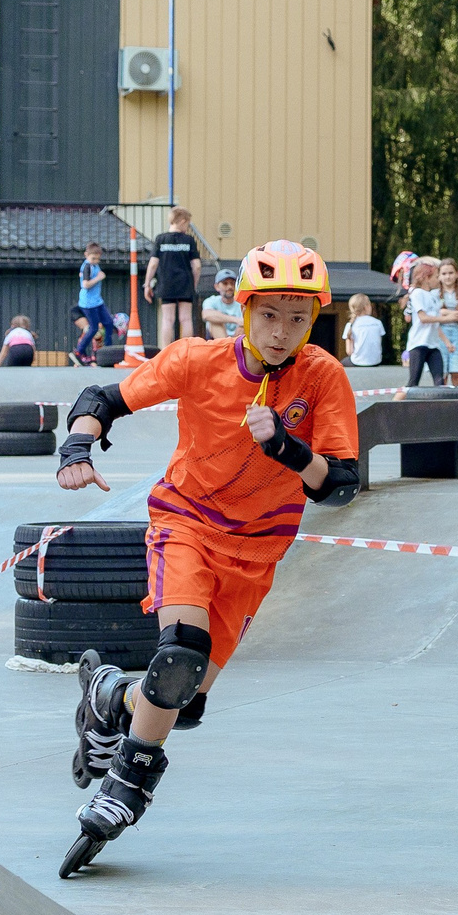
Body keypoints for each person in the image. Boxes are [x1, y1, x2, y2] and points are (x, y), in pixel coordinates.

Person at [52, 240, 360, 870]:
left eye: (298, 319)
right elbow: (100, 399)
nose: (282, 333)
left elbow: (342, 486)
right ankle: (125, 788)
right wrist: (77, 452)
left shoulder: (322, 377)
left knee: (182, 699)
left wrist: (288, 450)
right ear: (243, 310)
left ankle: (108, 698)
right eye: (269, 315)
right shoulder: (197, 360)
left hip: (258, 552)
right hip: (186, 522)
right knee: (178, 657)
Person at [145, 207, 205, 347]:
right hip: (185, 283)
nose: (187, 228)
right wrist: (193, 284)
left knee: (167, 319)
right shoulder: (189, 240)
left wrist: (147, 283)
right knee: (185, 318)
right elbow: (196, 266)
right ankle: (186, 350)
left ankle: (165, 351)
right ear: (183, 221)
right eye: (188, 224)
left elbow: (153, 264)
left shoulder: (161, 239)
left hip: (166, 283)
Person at [402, 257, 447, 387]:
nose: (439, 279)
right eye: (436, 276)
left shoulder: (434, 296)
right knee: (413, 381)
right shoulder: (417, 294)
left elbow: (436, 321)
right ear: (426, 277)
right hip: (418, 344)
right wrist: (446, 318)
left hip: (433, 345)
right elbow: (424, 318)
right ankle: (395, 404)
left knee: (440, 381)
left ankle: (441, 407)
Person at [72, 242, 118, 364]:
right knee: (93, 328)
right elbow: (85, 284)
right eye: (93, 258)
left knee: (108, 323)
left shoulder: (94, 265)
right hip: (88, 303)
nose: (95, 261)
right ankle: (79, 351)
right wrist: (99, 278)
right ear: (86, 255)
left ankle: (107, 350)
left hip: (97, 301)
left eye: (98, 259)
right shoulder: (87, 266)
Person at [432, 259, 458, 386]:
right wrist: (456, 313)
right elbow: (433, 317)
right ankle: (442, 405)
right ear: (439, 276)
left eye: (450, 273)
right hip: (440, 337)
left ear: (457, 274)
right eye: (444, 274)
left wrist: (444, 312)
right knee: (441, 375)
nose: (448, 276)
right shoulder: (433, 294)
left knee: (457, 373)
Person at [342, 293, 385, 366]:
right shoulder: (378, 323)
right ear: (366, 307)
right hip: (376, 361)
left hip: (357, 362)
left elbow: (349, 351)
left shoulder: (350, 325)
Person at [201, 269, 243, 339]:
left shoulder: (242, 302)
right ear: (217, 287)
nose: (229, 287)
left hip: (238, 340)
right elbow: (206, 315)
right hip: (217, 341)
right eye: (225, 283)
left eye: (232, 283)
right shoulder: (211, 301)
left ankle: (231, 348)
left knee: (244, 326)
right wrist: (237, 320)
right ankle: (226, 348)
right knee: (214, 322)